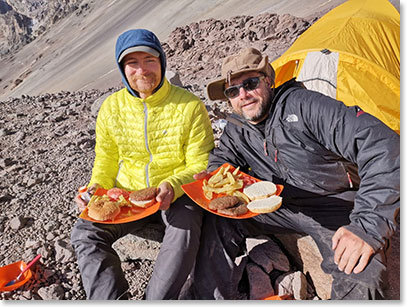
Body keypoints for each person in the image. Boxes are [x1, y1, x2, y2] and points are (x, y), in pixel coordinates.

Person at [191, 47, 400, 300]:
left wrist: (367, 226)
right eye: (233, 91)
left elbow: (384, 146)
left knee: (361, 272)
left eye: (250, 83)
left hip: (332, 207)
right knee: (215, 217)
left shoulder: (306, 107)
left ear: (269, 80)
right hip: (274, 207)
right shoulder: (238, 127)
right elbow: (223, 158)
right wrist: (215, 175)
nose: (243, 95)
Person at [70, 28, 214, 300]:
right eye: (132, 63)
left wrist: (173, 185)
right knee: (85, 232)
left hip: (176, 194)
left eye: (149, 60)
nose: (142, 70)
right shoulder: (112, 108)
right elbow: (106, 158)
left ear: (162, 62)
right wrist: (96, 189)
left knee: (184, 231)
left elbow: (200, 162)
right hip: (126, 195)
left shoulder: (190, 106)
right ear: (122, 68)